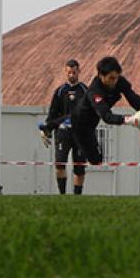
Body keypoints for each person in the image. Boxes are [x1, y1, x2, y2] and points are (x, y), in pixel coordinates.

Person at [68, 55, 140, 194]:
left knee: (97, 160)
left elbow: (131, 96)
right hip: (80, 125)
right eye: (111, 78)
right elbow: (107, 117)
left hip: (93, 123)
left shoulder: (118, 81)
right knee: (90, 160)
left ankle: (80, 150)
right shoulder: (94, 91)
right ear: (101, 76)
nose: (114, 81)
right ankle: (76, 195)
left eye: (116, 77)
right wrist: (131, 120)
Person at [39, 59, 88, 195]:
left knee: (79, 168)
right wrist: (47, 129)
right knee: (60, 164)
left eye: (74, 72)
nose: (71, 75)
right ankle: (62, 196)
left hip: (80, 134)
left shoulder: (85, 90)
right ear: (65, 72)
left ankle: (77, 196)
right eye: (69, 72)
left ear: (79, 71)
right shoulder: (60, 92)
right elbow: (52, 113)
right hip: (63, 133)